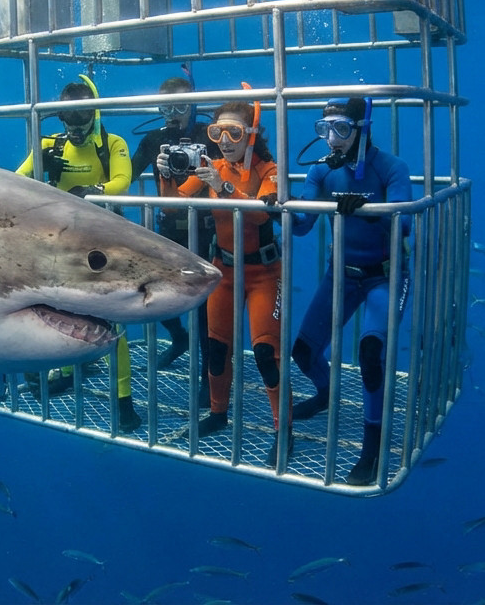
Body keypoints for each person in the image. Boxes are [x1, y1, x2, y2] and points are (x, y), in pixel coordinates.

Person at [289, 97, 412, 485]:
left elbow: (404, 224)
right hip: (340, 274)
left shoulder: (391, 168)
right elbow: (303, 224)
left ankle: (371, 449)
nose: (331, 139)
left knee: (371, 356)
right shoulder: (322, 172)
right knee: (303, 352)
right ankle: (327, 393)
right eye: (324, 130)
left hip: (384, 276)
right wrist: (279, 207)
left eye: (341, 129)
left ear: (363, 128)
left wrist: (371, 209)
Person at [16, 75, 142, 433]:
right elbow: (16, 180)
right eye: (66, 120)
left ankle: (124, 398)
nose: (73, 129)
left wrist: (94, 190)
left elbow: (123, 179)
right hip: (60, 244)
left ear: (95, 115)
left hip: (102, 246)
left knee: (112, 324)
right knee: (64, 312)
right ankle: (68, 372)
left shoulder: (111, 143)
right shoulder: (49, 145)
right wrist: (40, 175)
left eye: (81, 119)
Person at [167, 101, 288, 466]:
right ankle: (218, 414)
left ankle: (284, 432)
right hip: (224, 269)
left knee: (267, 353)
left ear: (251, 135)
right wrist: (166, 176)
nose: (224, 140)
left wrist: (223, 188)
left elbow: (266, 210)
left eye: (234, 132)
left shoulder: (270, 169)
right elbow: (173, 205)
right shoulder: (211, 167)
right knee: (217, 348)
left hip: (265, 274)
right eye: (216, 132)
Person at [130, 75, 219, 370]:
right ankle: (179, 337)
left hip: (207, 230)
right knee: (155, 292)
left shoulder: (210, 135)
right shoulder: (153, 139)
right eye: (165, 108)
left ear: (192, 105)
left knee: (207, 308)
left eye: (180, 106)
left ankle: (209, 375)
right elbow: (128, 173)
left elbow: (229, 170)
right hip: (169, 229)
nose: (172, 115)